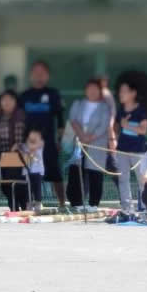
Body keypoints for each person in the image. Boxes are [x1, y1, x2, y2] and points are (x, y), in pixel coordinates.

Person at [19, 61, 66, 208]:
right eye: (36, 72)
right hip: (28, 143)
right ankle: (30, 203)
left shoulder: (53, 94)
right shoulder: (25, 95)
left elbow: (60, 119)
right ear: (31, 75)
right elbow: (19, 120)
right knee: (29, 173)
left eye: (42, 73)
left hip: (48, 141)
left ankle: (62, 204)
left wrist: (60, 140)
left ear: (47, 76)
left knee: (55, 173)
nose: (39, 76)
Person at [65, 79, 112, 212]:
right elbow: (73, 120)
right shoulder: (78, 104)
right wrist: (82, 136)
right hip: (79, 140)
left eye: (95, 88)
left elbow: (104, 125)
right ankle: (76, 203)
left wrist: (90, 138)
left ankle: (93, 204)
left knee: (95, 172)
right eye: (89, 88)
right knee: (75, 171)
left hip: (97, 142)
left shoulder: (105, 107)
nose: (92, 91)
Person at [0, 90, 29, 210]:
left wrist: (18, 145)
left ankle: (24, 206)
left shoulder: (20, 114)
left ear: (15, 101)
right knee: (6, 184)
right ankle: (13, 207)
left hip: (18, 155)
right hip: (1, 156)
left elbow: (21, 134)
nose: (6, 102)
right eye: (3, 100)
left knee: (17, 183)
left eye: (9, 99)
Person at [114, 79, 147, 212]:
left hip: (138, 151)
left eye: (124, 91)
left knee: (142, 180)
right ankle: (127, 209)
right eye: (120, 91)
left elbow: (144, 130)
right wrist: (115, 137)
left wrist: (127, 125)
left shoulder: (140, 110)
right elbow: (117, 127)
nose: (121, 94)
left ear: (133, 93)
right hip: (122, 150)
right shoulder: (120, 110)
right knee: (123, 179)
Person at [24, 129, 45, 212]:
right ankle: (28, 204)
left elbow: (33, 149)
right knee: (28, 187)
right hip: (28, 170)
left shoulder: (41, 143)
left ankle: (38, 203)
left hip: (38, 169)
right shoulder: (27, 144)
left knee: (37, 187)